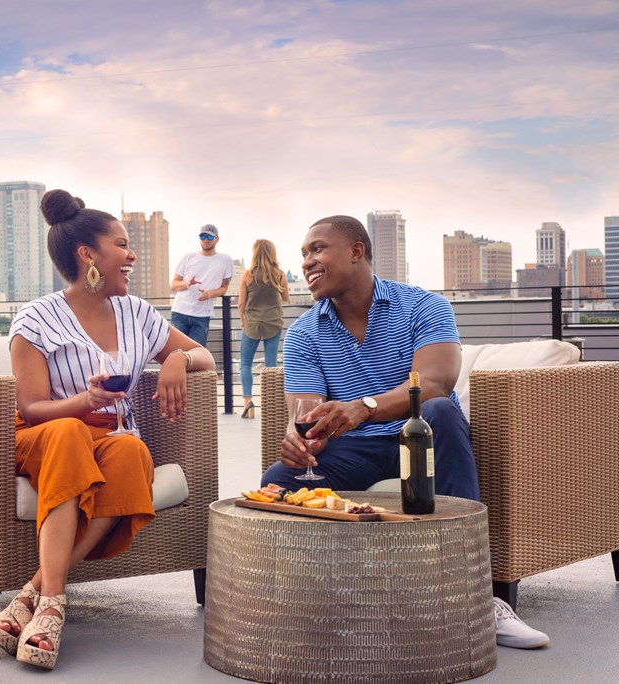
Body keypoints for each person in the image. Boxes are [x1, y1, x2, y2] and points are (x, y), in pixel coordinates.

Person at [262, 214, 549, 649]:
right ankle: (330, 605)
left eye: (317, 249)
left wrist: (364, 408)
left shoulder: (422, 306)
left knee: (440, 412)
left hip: (419, 440)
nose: (307, 262)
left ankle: (478, 598)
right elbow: (306, 412)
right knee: (278, 482)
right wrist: (298, 439)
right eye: (303, 254)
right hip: (353, 451)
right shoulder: (302, 332)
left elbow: (435, 383)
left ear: (357, 250)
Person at [0, 189, 215, 670]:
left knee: (131, 452)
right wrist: (84, 402)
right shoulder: (36, 318)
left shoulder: (137, 313)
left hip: (109, 440)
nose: (131, 256)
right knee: (68, 431)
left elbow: (204, 355)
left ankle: (32, 594)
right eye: (122, 245)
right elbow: (31, 406)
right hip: (42, 435)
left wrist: (175, 357)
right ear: (88, 254)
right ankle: (54, 605)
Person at [237, 239, 289, 419]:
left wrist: (242, 321)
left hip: (252, 323)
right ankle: (272, 404)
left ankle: (248, 402)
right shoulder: (280, 274)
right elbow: (286, 298)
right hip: (273, 322)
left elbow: (241, 303)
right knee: (271, 364)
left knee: (245, 364)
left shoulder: (247, 275)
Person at [169, 224, 234, 347]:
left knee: (196, 355)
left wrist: (210, 294)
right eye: (203, 236)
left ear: (217, 239)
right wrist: (187, 283)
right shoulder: (188, 257)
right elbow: (174, 285)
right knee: (175, 351)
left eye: (209, 237)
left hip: (202, 315)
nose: (205, 240)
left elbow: (224, 288)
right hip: (180, 312)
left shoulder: (225, 260)